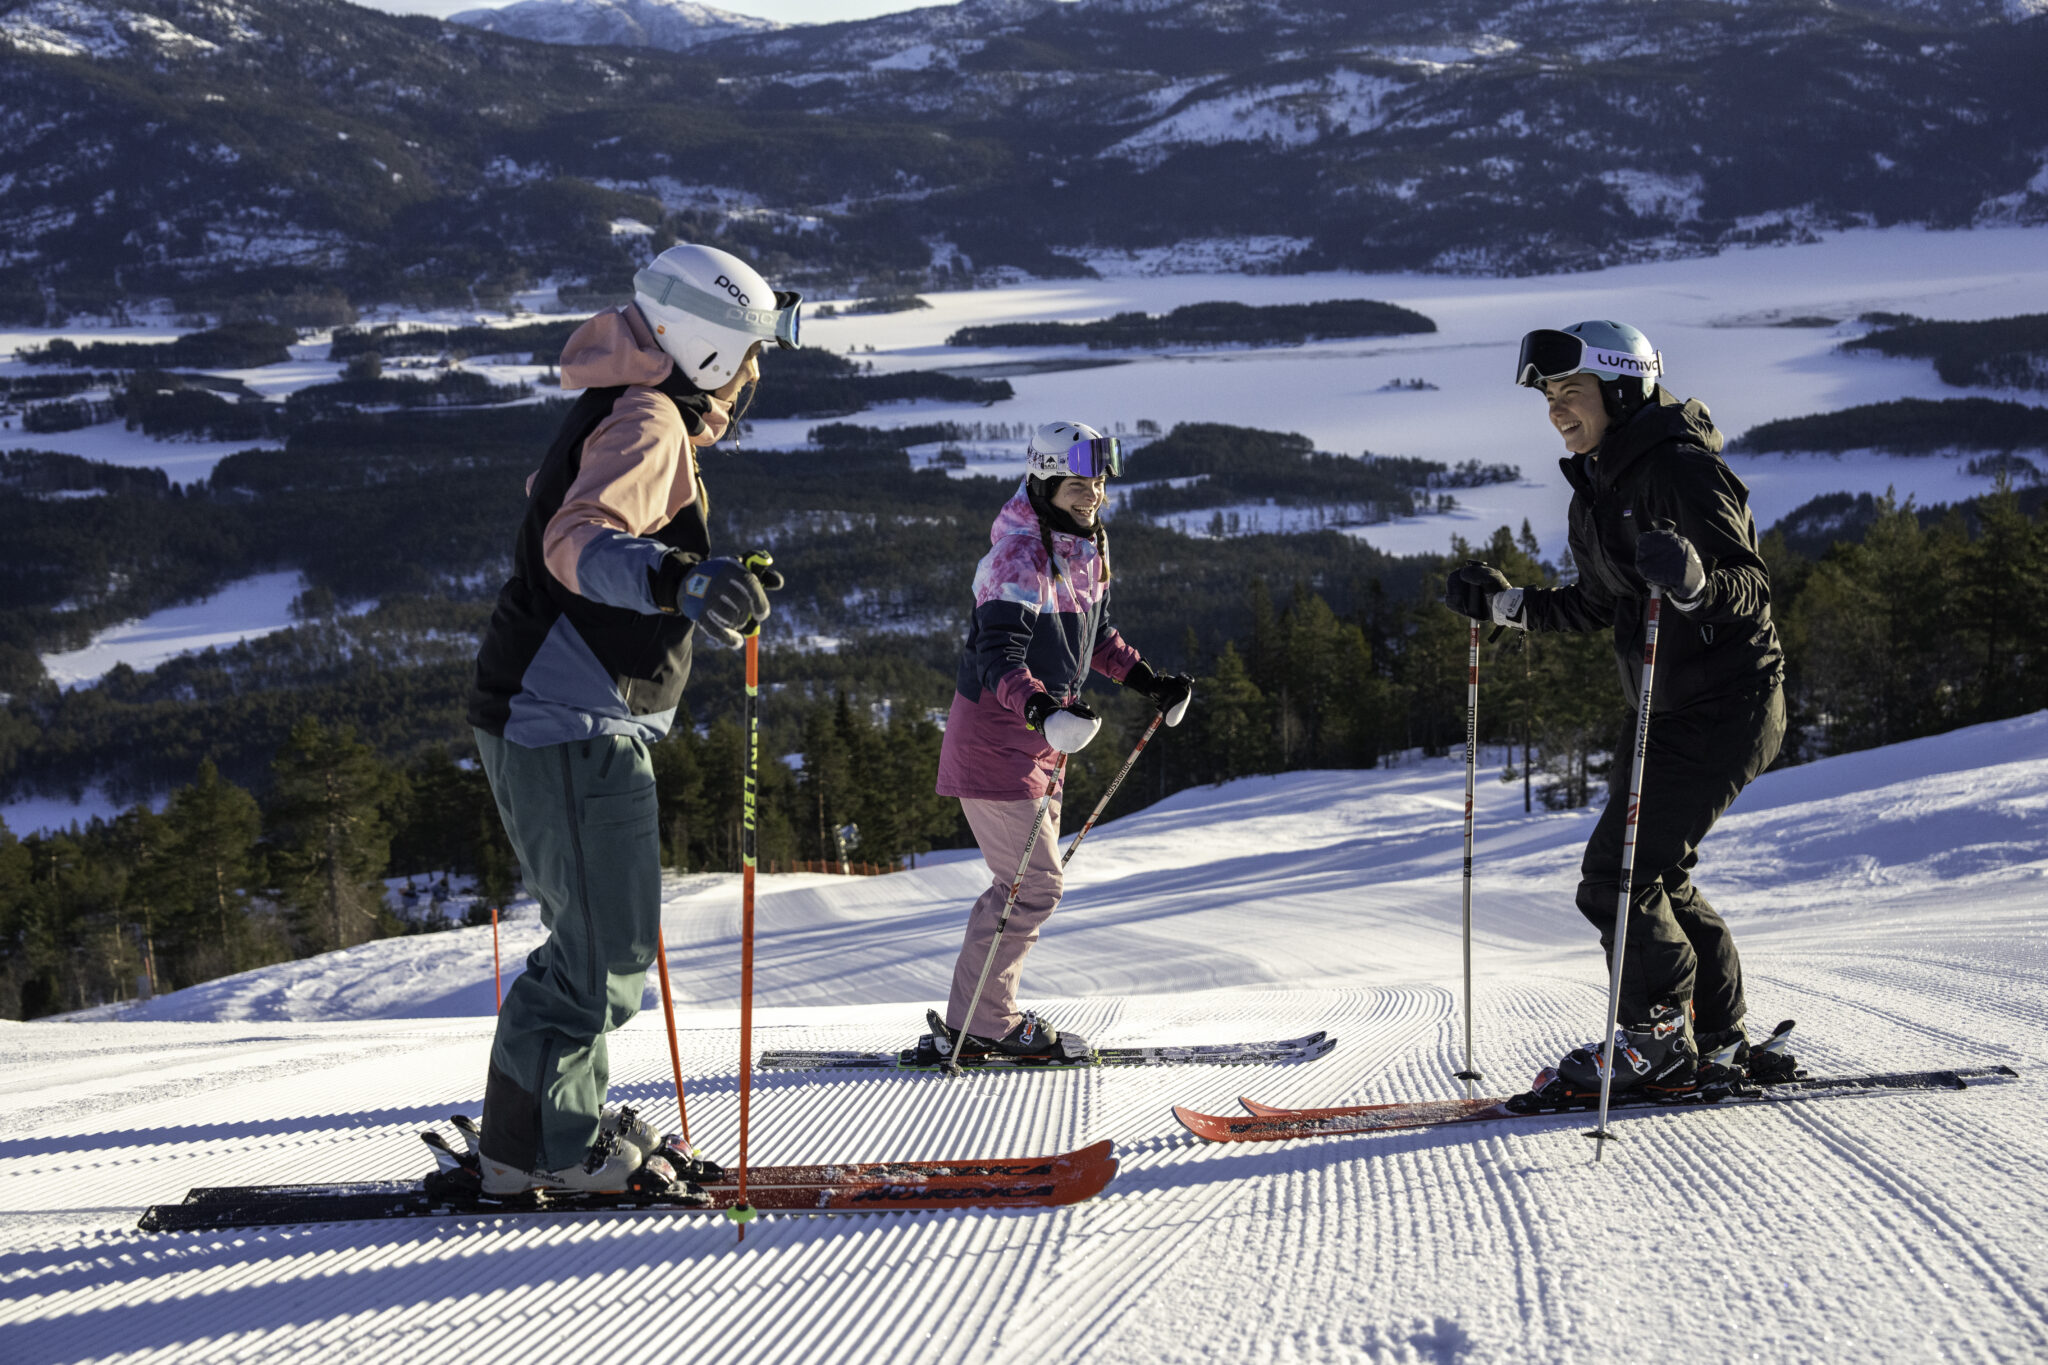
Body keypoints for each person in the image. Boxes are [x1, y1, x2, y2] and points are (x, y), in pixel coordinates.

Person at [466, 243, 800, 1194]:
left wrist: (690, 577)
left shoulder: (630, 408)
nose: (754, 371)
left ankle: (537, 1133)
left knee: (598, 939)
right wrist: (678, 579)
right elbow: (573, 541)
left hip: (558, 708)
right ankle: (551, 1150)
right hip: (566, 717)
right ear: (702, 344)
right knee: (603, 951)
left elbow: (556, 505)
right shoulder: (651, 420)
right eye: (749, 349)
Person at [1444, 320, 1794, 1099]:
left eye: (1571, 391)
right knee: (1654, 871)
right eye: (1549, 395)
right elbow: (1597, 603)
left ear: (1624, 389)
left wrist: (1696, 581)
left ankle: (1657, 1037)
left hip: (1729, 700)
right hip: (1667, 708)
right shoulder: (1599, 484)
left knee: (1616, 872)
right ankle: (1716, 1034)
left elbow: (1749, 584)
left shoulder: (1682, 468)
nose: (1555, 409)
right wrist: (1502, 604)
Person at [926, 421, 1193, 1062]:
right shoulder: (1017, 557)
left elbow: (1096, 637)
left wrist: (1148, 681)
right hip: (998, 739)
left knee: (1019, 887)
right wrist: (1041, 709)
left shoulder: (1084, 549)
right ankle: (987, 1022)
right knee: (1034, 887)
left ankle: (975, 1018)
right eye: (1077, 484)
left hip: (1044, 742)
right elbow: (999, 655)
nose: (1092, 494)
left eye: (1098, 482)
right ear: (1044, 484)